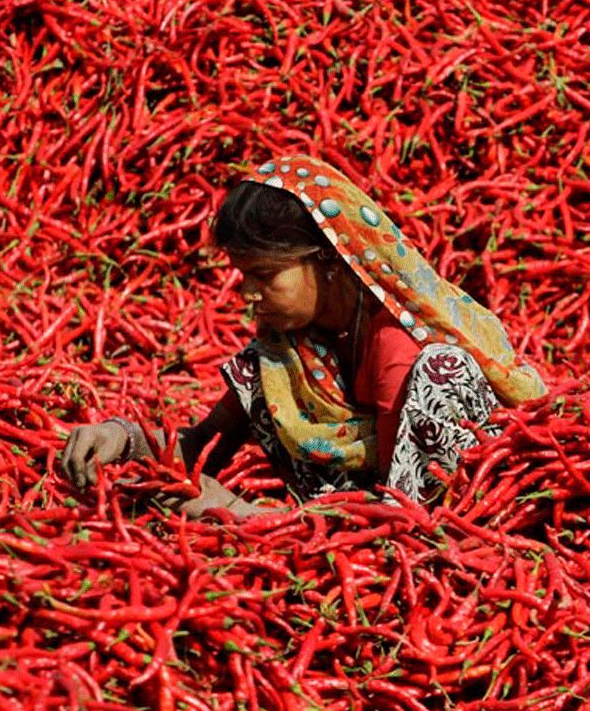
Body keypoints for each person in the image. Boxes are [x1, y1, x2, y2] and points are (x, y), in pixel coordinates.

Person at [59, 154, 546, 518]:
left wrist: (246, 514)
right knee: (262, 373)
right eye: (243, 275)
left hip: (429, 531)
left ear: (330, 260)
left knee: (441, 369)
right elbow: (203, 445)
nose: (247, 293)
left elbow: (405, 517)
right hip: (321, 533)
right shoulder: (289, 350)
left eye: (265, 274)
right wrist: (123, 438)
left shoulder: (398, 350)